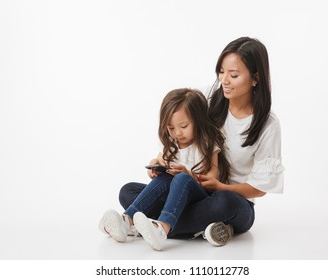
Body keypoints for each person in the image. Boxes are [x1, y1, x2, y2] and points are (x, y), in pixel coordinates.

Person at [117, 37, 284, 248]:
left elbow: (260, 188)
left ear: (255, 77)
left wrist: (221, 186)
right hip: (190, 193)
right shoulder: (206, 98)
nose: (224, 80)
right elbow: (176, 128)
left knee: (223, 201)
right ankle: (196, 228)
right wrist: (161, 161)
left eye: (233, 75)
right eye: (221, 72)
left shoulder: (267, 125)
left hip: (230, 202)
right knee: (128, 191)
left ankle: (158, 225)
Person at [99, 88, 230, 250]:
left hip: (197, 199)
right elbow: (160, 162)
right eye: (171, 128)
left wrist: (188, 174)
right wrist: (154, 167)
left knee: (180, 179)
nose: (177, 133)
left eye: (183, 126)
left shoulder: (207, 143)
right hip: (172, 200)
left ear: (198, 120)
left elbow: (212, 178)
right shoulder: (171, 144)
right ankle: (127, 221)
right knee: (128, 190)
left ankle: (162, 228)